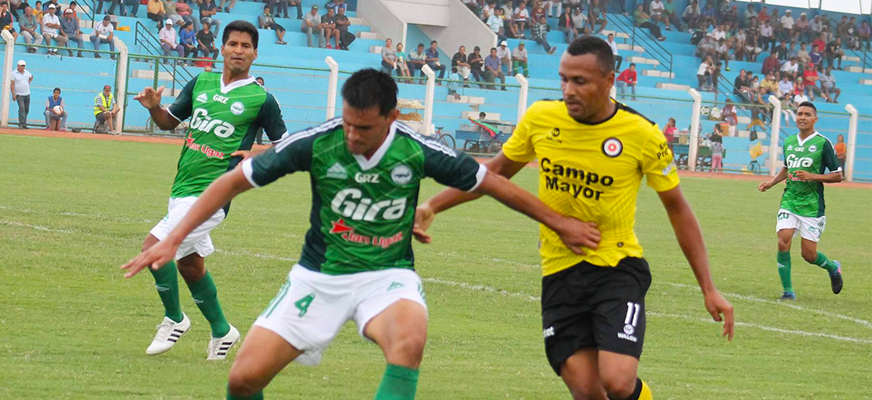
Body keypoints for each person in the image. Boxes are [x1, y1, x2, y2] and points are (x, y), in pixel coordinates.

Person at [121, 66, 594, 400]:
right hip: (317, 278)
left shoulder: (416, 150)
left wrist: (560, 222)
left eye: (363, 128)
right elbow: (231, 182)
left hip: (386, 277)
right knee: (243, 380)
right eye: (347, 123)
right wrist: (171, 237)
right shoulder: (318, 141)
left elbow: (492, 182)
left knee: (409, 340)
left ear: (391, 119)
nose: (352, 135)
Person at [414, 36, 734, 400]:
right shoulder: (540, 118)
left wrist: (708, 287)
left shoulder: (642, 135)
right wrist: (433, 205)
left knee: (617, 380)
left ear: (609, 81)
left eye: (579, 81)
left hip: (617, 267)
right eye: (564, 79)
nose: (568, 90)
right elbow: (493, 173)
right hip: (560, 273)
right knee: (586, 390)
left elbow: (678, 208)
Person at [123, 21, 288, 364]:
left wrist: (255, 155)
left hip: (214, 194)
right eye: (233, 44)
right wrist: (154, 107)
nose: (238, 50)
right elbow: (170, 122)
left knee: (154, 249)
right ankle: (222, 331)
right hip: (182, 186)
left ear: (255, 53)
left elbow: (285, 147)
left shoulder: (261, 99)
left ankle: (175, 319)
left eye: (246, 45)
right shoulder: (202, 82)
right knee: (189, 264)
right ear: (222, 48)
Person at [758, 101, 844, 301]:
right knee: (783, 240)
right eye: (799, 114)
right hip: (790, 199)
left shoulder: (823, 143)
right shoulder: (789, 142)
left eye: (807, 114)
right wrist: (772, 182)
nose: (802, 117)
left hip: (812, 206)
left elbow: (838, 175)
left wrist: (813, 177)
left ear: (815, 119)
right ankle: (787, 292)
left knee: (809, 255)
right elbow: (787, 168)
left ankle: (833, 267)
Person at [10, 59, 33, 129]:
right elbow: (12, 85)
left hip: (27, 93)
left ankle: (24, 123)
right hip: (19, 94)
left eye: (23, 66)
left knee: (26, 109)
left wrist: (28, 82)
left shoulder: (26, 72)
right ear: (18, 66)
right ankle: (21, 123)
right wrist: (13, 94)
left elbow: (31, 77)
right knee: (22, 108)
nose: (22, 67)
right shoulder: (14, 74)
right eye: (21, 66)